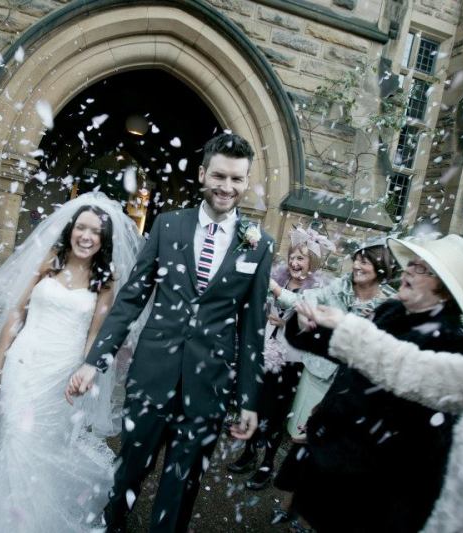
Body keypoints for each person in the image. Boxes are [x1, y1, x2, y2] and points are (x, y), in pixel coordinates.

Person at [67, 132, 274, 532]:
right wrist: (96, 362)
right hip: (152, 374)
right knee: (129, 470)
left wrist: (249, 400)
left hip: (209, 387)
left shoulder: (259, 245)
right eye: (219, 176)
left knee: (182, 486)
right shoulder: (167, 226)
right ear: (202, 174)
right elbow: (131, 299)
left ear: (246, 183)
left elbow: (253, 331)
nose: (226, 187)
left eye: (236, 179)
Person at [293, 247, 463, 533]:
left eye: (422, 269)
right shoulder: (391, 311)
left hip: (373, 483)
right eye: (412, 263)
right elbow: (358, 367)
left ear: (444, 291)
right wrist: (310, 329)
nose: (408, 270)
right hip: (337, 458)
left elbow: (405, 390)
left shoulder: (452, 343)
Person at [0, 193, 143, 532]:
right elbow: (16, 314)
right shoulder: (49, 261)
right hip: (23, 363)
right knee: (16, 434)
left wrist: (85, 375)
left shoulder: (105, 282)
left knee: (40, 441)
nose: (86, 236)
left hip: (61, 372)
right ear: (70, 230)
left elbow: (94, 337)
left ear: (104, 240)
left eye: (95, 232)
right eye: (81, 227)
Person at [227, 226, 333, 491]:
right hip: (264, 351)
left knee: (275, 413)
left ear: (313, 264)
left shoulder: (318, 291)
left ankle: (267, 463)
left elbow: (315, 326)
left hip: (290, 361)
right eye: (293, 257)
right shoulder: (280, 279)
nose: (294, 263)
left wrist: (289, 325)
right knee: (256, 404)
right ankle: (250, 453)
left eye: (301, 259)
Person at [269, 241, 396, 440]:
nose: (356, 266)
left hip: (351, 385)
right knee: (299, 433)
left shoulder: (389, 308)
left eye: (364, 262)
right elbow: (308, 299)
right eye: (356, 260)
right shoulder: (339, 287)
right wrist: (280, 291)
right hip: (317, 375)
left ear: (381, 269)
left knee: (331, 439)